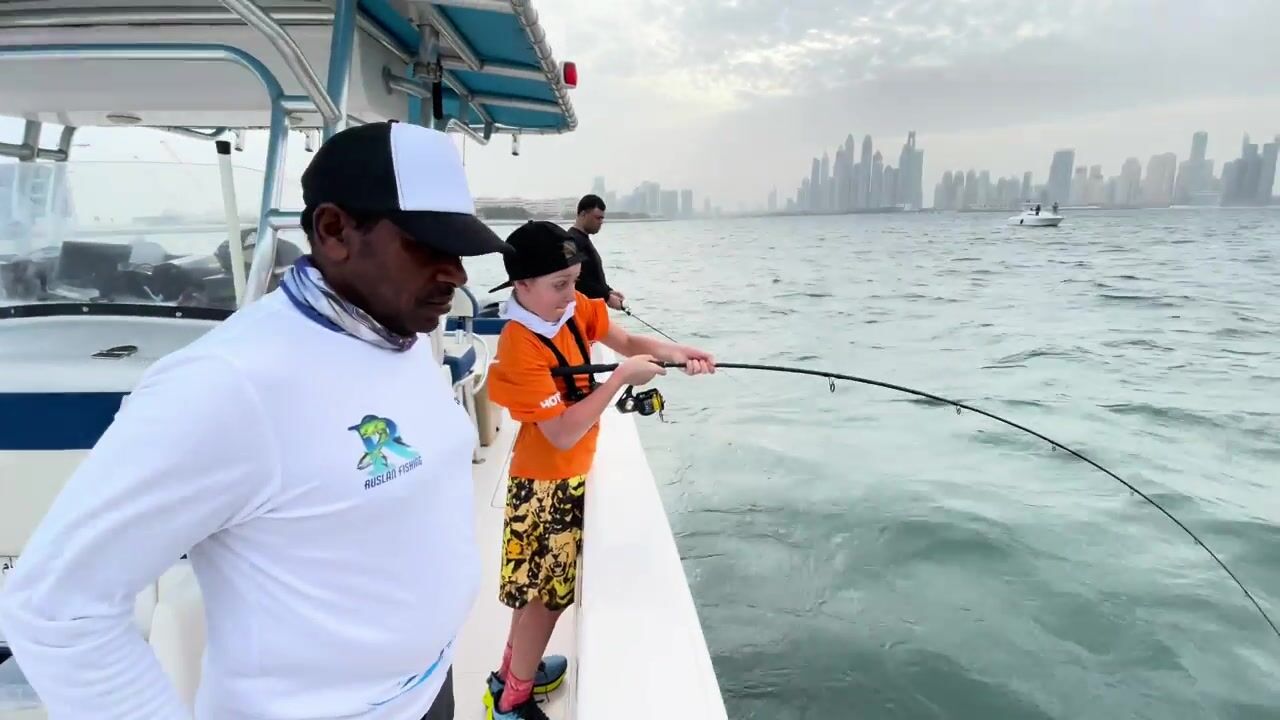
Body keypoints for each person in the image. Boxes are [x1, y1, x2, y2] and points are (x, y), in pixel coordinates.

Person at [0, 121, 504, 720]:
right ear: (334, 231)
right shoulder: (228, 384)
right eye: (427, 244)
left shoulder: (401, 333)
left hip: (429, 689)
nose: (456, 273)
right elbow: (56, 609)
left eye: (458, 249)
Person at [479, 221, 715, 719]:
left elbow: (624, 339)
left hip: (566, 474)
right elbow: (562, 433)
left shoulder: (572, 309)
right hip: (545, 485)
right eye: (559, 284)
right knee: (546, 598)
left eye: (574, 280)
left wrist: (677, 352)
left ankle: (512, 673)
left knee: (535, 593)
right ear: (522, 285)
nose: (571, 295)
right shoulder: (519, 345)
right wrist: (619, 381)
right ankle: (511, 702)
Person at [566, 194, 624, 310]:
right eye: (598, 218)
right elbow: (574, 280)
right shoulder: (570, 242)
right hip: (580, 310)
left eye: (602, 218)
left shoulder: (583, 239)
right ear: (583, 214)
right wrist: (606, 296)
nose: (601, 222)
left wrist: (608, 290)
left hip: (591, 309)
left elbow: (591, 276)